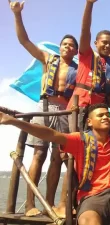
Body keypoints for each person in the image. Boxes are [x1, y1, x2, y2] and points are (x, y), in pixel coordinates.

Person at [8, 0, 78, 216]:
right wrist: (17, 15)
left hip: (66, 111)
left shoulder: (79, 68)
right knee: (39, 154)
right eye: (64, 44)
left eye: (71, 45)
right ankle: (30, 205)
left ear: (76, 50)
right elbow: (24, 41)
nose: (67, 47)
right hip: (44, 106)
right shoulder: (48, 59)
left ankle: (51, 203)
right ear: (60, 46)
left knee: (59, 157)